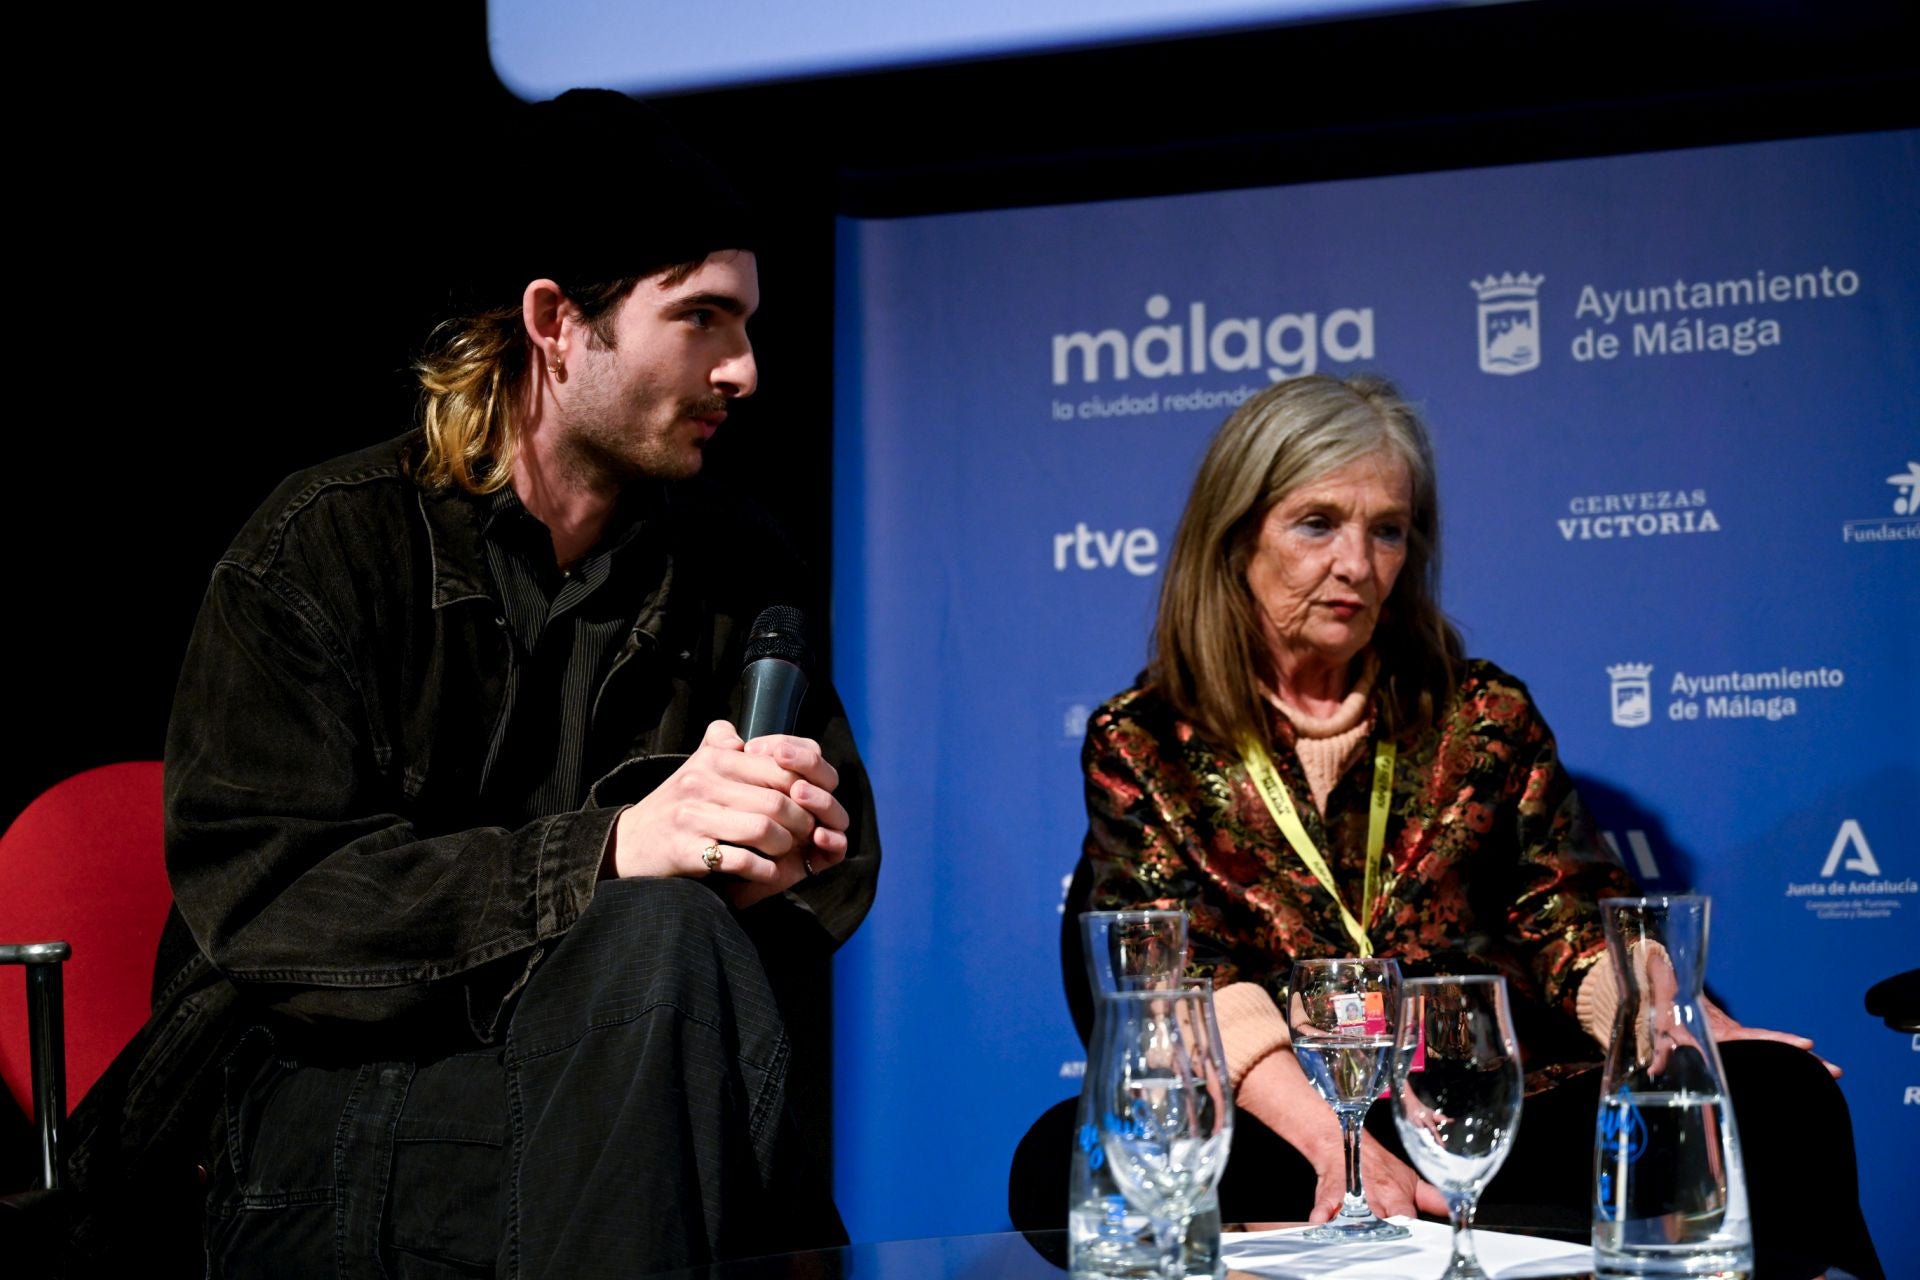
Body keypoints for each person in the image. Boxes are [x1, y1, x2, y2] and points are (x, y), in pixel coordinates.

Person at [58, 89, 879, 1278]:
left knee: (669, 958)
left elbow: (837, 871)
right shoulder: (321, 551)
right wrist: (607, 851)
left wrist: (777, 848)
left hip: (625, 1080)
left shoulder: (733, 568)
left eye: (747, 323)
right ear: (556, 321)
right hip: (324, 1121)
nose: (745, 369)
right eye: (701, 318)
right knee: (653, 943)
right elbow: (273, 902)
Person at [1056, 373, 1881, 1278]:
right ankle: (1433, 1227)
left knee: (1774, 1097)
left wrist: (1670, 1020)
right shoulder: (1143, 741)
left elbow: (1566, 907)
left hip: (1493, 1111)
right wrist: (1336, 1144)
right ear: (1237, 534)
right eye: (1317, 523)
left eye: (1388, 531)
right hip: (1285, 1113)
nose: (1358, 566)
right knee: (1067, 1155)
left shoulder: (1481, 714)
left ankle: (1435, 1224)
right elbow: (1177, 974)